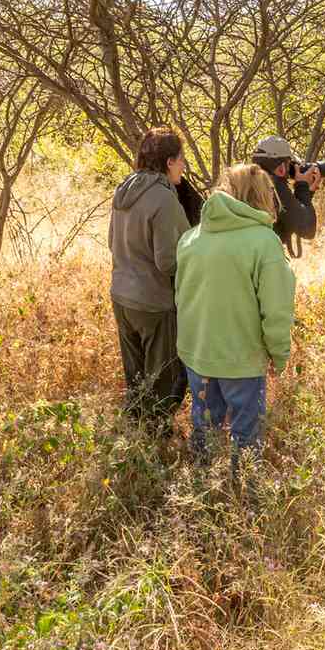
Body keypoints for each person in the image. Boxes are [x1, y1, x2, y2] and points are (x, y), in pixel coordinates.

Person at [175, 163, 296, 473]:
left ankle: (202, 495)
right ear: (261, 195)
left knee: (204, 431)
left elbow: (182, 298)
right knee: (245, 439)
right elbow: (277, 311)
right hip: (241, 359)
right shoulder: (265, 242)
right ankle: (244, 500)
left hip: (197, 354)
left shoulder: (191, 238)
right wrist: (280, 356)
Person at [109, 128, 194, 433]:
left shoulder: (124, 189)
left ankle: (134, 443)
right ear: (170, 161)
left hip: (121, 296)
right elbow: (168, 261)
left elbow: (111, 243)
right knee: (164, 383)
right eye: (182, 159)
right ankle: (155, 450)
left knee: (135, 382)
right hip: (154, 303)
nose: (184, 165)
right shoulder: (163, 198)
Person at [251, 135, 322, 254]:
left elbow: (287, 223)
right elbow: (307, 229)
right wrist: (302, 186)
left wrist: (307, 191)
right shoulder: (274, 186)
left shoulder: (248, 183)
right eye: (289, 164)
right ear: (281, 168)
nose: (291, 170)